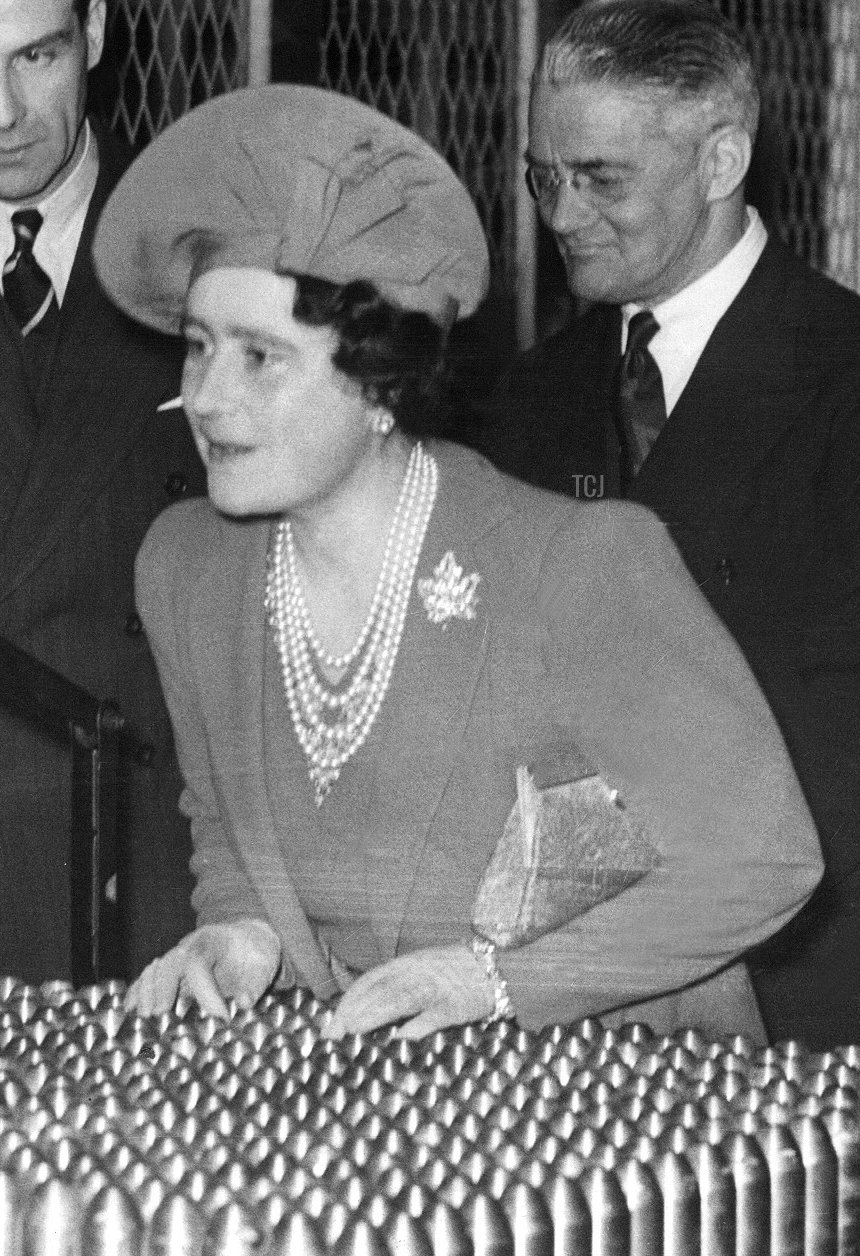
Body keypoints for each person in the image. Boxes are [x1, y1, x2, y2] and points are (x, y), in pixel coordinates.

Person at [94, 83, 821, 1039]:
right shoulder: (188, 571)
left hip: (628, 1101)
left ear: (379, 383)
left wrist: (498, 981)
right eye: (198, 349)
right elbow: (225, 824)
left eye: (261, 358)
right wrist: (242, 932)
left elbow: (762, 860)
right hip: (383, 1115)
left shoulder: (574, 565)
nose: (207, 398)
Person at [476, 0, 860, 1049]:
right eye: (541, 177)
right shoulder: (527, 398)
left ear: (720, 156)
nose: (558, 215)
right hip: (579, 1001)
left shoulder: (840, 373)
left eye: (599, 178)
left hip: (808, 997)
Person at [0, 0, 204, 981]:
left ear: (96, 31)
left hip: (139, 864)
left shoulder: (217, 249)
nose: (1, 110)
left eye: (33, 56)